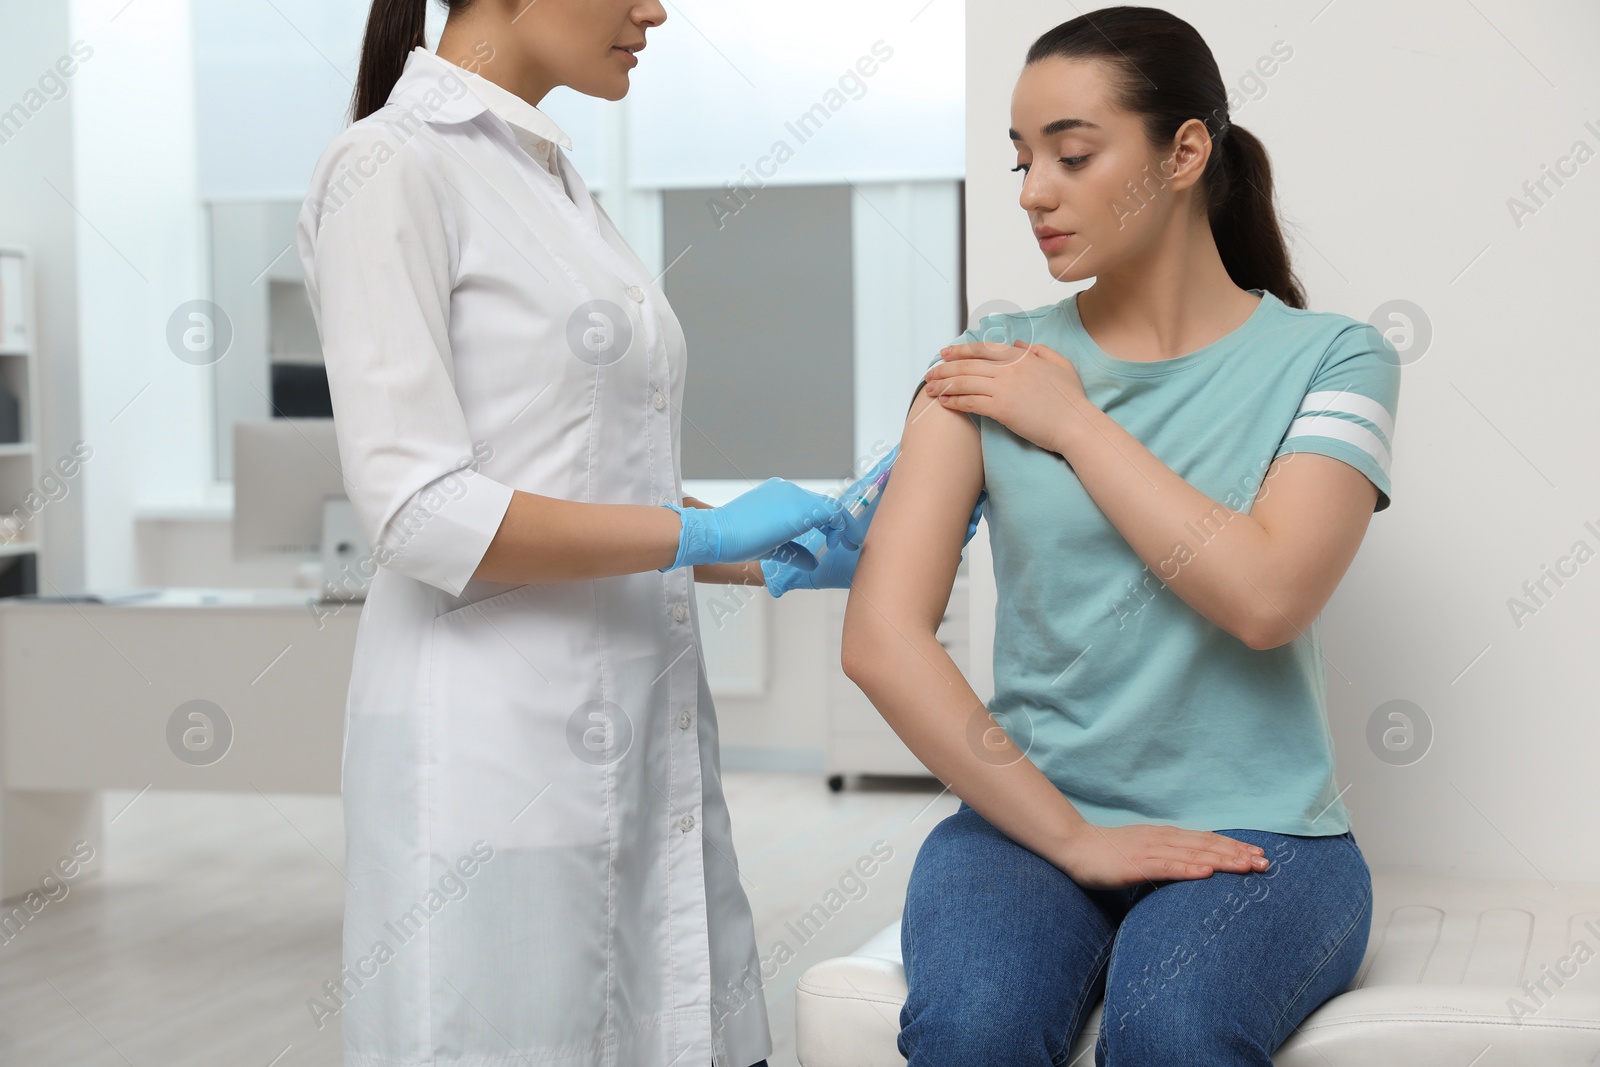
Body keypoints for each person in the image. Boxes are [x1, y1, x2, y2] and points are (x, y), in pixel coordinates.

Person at [296, 2, 901, 1064]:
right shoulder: (388, 165)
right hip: (494, 749)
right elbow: (418, 510)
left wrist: (765, 550)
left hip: (643, 727)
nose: (654, 9)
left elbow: (596, 479)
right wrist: (681, 531)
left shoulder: (551, 179)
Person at [842, 6, 1399, 1064]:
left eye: (1072, 153)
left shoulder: (1338, 360)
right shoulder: (986, 364)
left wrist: (1074, 424)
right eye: (1019, 159)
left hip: (1265, 836)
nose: (1032, 192)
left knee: (1174, 1030)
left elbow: (1266, 595)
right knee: (972, 1029)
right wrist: (1069, 834)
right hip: (1022, 822)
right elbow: (882, 636)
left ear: (1184, 151)